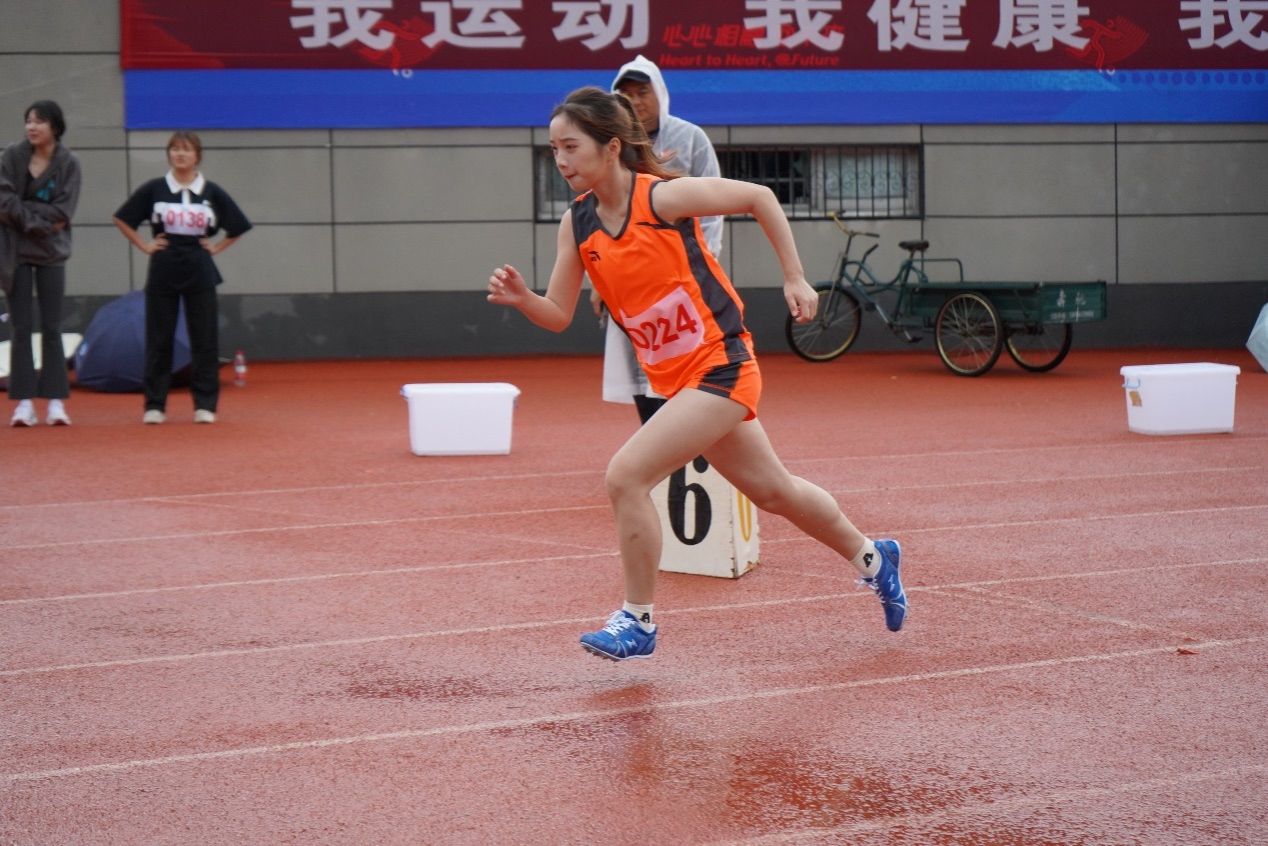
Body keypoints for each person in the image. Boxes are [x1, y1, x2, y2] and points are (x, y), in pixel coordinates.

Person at [487, 87, 908, 661]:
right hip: (677, 380)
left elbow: (759, 196)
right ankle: (875, 557)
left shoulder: (662, 198)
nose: (560, 160)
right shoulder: (577, 224)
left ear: (611, 147)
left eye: (571, 146)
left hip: (722, 364)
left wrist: (794, 276)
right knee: (775, 491)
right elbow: (558, 314)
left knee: (626, 475)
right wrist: (524, 300)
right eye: (553, 149)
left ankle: (637, 621)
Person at [598, 55, 722, 423]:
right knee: (639, 365)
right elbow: (604, 210)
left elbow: (713, 209)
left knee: (690, 366)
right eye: (626, 94)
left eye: (643, 92)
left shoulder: (691, 138)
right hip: (631, 276)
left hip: (684, 276)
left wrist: (704, 264)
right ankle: (657, 441)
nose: (635, 101)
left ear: (660, 94)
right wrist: (598, 279)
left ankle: (691, 443)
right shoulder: (612, 146)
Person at [113, 131, 252, 424]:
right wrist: (144, 245)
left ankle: (205, 405)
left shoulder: (211, 191)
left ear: (197, 156)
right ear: (168, 155)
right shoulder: (154, 188)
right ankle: (155, 405)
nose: (180, 154)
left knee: (204, 339)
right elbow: (122, 218)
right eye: (175, 149)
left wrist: (216, 247)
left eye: (186, 149)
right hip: (163, 268)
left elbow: (238, 225)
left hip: (199, 268)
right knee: (158, 338)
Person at [0, 100, 82, 426]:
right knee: (20, 327)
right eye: (29, 121)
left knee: (52, 326)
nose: (32, 127)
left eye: (39, 121)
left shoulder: (69, 163)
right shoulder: (11, 156)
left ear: (55, 127)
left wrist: (24, 213)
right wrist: (39, 223)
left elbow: (63, 212)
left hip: (52, 252)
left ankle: (55, 403)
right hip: (15, 251)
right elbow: (4, 202)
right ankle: (23, 403)